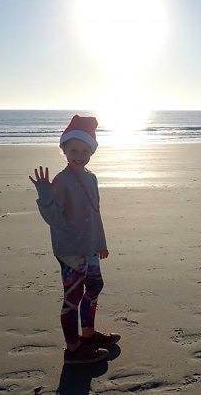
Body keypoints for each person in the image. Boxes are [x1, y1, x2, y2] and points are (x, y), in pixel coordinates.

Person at [29, 114, 120, 364]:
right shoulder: (62, 180)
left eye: (84, 150)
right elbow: (53, 219)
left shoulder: (91, 177)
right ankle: (73, 349)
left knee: (95, 286)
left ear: (91, 152)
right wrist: (45, 195)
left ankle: (88, 335)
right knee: (73, 297)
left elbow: (95, 212)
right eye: (73, 150)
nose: (79, 155)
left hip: (90, 247)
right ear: (64, 150)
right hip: (70, 249)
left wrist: (101, 242)